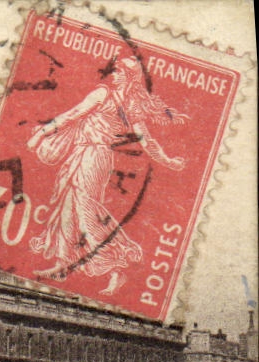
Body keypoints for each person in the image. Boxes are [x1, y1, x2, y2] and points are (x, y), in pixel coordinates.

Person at [26, 56, 186, 296]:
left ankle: (115, 267)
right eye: (115, 70)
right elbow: (75, 114)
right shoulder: (114, 98)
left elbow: (145, 140)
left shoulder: (118, 101)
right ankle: (62, 261)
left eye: (120, 72)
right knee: (66, 206)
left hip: (95, 156)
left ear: (130, 78)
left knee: (86, 210)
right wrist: (169, 161)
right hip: (82, 153)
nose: (114, 74)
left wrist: (40, 135)